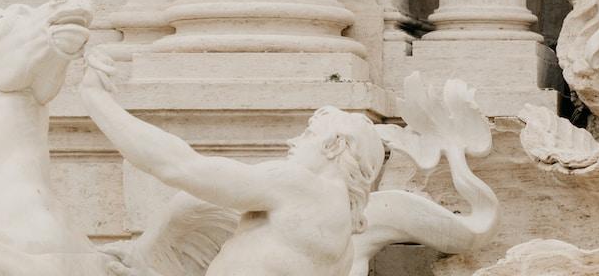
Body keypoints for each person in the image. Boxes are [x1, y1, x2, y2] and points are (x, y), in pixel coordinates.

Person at [81, 60, 387, 276]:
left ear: (332, 145)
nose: (293, 141)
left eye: (308, 134)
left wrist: (96, 99)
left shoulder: (301, 187)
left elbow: (179, 167)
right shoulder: (342, 244)